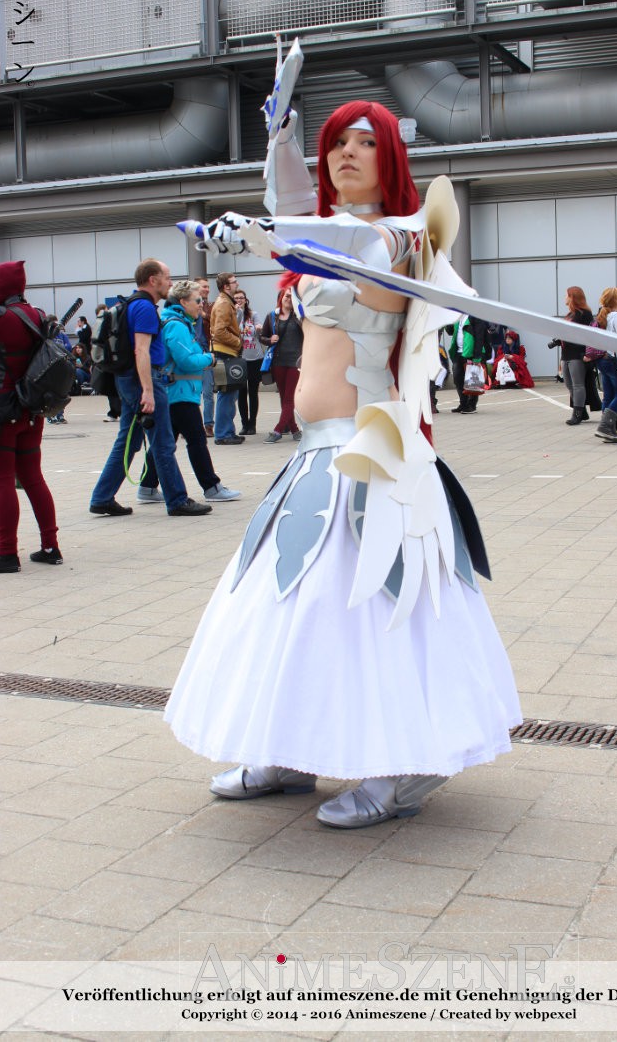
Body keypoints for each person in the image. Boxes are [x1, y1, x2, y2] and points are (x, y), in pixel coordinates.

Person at [166, 98, 522, 829]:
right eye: (335, 144)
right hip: (314, 452)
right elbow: (302, 217)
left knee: (378, 607)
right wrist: (281, 143)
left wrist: (267, 234)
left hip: (374, 448)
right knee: (293, 605)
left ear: (391, 157)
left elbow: (333, 242)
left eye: (365, 142)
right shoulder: (323, 231)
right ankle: (291, 748)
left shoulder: (407, 237)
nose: (346, 154)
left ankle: (403, 766)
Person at [88, 259, 212, 517]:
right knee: (163, 442)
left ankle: (102, 497)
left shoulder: (133, 304)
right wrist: (147, 390)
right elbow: (141, 351)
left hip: (128, 379)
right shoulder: (144, 308)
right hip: (144, 380)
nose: (170, 283)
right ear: (153, 280)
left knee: (129, 440)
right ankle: (177, 500)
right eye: (167, 277)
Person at [138, 280, 241, 505]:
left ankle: (147, 487)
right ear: (183, 302)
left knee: (165, 442)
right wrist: (209, 359)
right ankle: (211, 487)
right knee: (196, 440)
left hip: (175, 392)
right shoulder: (177, 325)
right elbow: (186, 360)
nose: (201, 304)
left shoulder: (178, 322)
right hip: (179, 393)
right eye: (197, 300)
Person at [0, 260, 62, 571]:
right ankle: (50, 546)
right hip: (32, 408)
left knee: (2, 480)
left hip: (3, 409)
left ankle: (6, 553)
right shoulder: (35, 314)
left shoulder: (2, 318)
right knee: (33, 478)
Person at [259, 285, 303, 442]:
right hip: (277, 361)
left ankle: (278, 430)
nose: (289, 299)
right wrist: (269, 340)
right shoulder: (272, 316)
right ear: (281, 298)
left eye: (292, 296)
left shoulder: (300, 316)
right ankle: (295, 430)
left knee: (289, 398)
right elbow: (262, 336)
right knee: (284, 397)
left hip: (295, 362)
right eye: (286, 296)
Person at [593, 287, 617, 443]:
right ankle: (605, 427)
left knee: (608, 395)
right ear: (616, 301)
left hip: (604, 360)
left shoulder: (607, 316)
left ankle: (608, 430)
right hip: (614, 360)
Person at [210, 271, 244, 445]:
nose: (237, 284)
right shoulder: (224, 303)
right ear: (226, 286)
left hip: (225, 352)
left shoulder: (225, 302)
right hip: (224, 352)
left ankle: (227, 431)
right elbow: (219, 331)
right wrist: (238, 342)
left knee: (230, 394)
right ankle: (223, 434)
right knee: (227, 394)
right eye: (234, 282)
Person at [551, 287, 594, 424]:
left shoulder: (584, 314)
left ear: (573, 297)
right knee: (569, 384)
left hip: (577, 353)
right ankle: (581, 411)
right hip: (566, 353)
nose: (565, 297)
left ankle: (577, 413)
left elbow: (586, 334)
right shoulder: (570, 314)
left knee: (578, 384)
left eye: (567, 295)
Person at [234, 288, 265, 435]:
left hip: (255, 358)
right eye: (236, 298)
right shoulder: (232, 315)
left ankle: (252, 424)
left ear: (246, 300)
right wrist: (237, 313)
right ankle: (244, 424)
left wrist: (259, 328)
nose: (239, 300)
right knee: (241, 392)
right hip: (240, 358)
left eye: (241, 298)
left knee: (253, 392)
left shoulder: (253, 315)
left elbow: (260, 330)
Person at [448, 313, 487, 413]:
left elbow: (479, 337)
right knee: (457, 379)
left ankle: (472, 405)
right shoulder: (457, 316)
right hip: (458, 353)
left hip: (471, 353)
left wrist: (477, 357)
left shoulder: (475, 316)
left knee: (472, 380)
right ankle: (463, 403)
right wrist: (448, 319)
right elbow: (450, 331)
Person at [194, 277, 215, 438]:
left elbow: (215, 321)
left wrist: (203, 314)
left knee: (208, 393)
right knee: (193, 392)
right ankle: (191, 423)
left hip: (207, 352)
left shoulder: (211, 306)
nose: (207, 289)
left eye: (208, 287)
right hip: (192, 354)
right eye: (204, 286)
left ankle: (208, 425)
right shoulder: (187, 307)